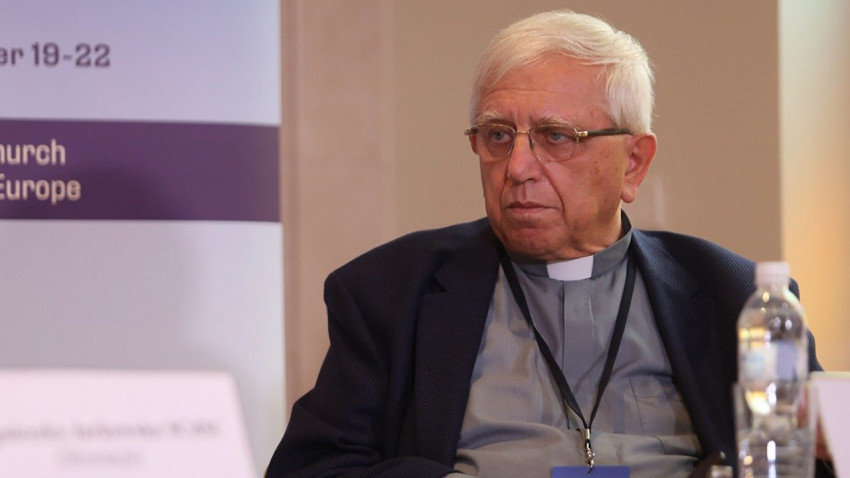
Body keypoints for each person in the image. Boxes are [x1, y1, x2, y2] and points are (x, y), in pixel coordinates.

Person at [267, 10, 833, 478]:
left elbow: (815, 461)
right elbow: (313, 469)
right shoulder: (391, 292)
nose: (517, 167)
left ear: (633, 163)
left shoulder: (734, 295)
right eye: (497, 136)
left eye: (557, 137)